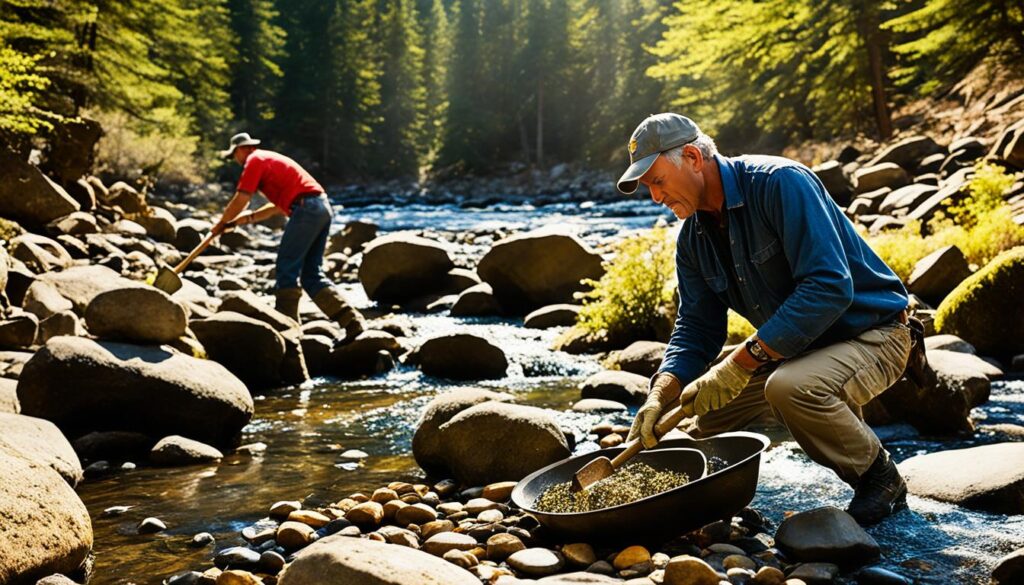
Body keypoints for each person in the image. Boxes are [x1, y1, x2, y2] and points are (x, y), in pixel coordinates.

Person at [618, 113, 914, 526]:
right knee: (709, 415)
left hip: (874, 333)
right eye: (648, 187)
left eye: (657, 181)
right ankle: (816, 431)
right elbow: (696, 329)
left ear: (692, 156)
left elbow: (829, 287)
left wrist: (740, 363)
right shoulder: (691, 241)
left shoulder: (781, 183)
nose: (654, 197)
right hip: (800, 347)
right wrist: (661, 393)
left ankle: (880, 478)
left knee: (790, 388)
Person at [212, 132, 365, 340]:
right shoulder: (269, 160)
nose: (236, 160)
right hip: (320, 207)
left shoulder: (254, 160)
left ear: (242, 149)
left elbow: (242, 198)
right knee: (311, 274)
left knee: (286, 268)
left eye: (234, 156)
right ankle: (352, 323)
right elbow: (274, 208)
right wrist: (236, 222)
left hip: (306, 208)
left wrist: (220, 224)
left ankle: (289, 333)